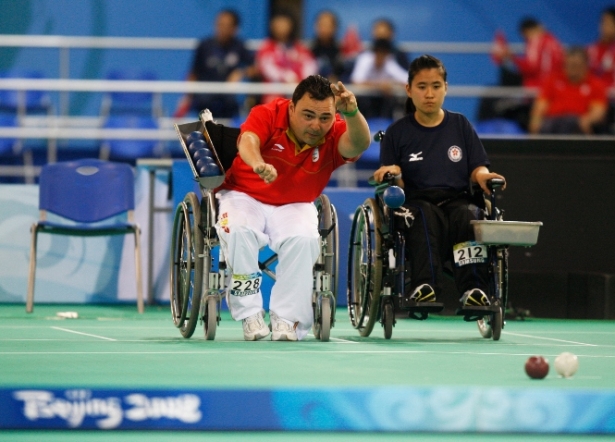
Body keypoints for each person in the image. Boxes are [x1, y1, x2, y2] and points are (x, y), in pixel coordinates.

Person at [215, 75, 371, 341]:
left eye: (324, 118)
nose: (316, 125)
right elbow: (248, 142)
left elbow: (358, 144)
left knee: (305, 240)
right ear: (291, 108)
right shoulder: (267, 113)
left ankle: (286, 319)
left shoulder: (335, 131)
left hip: (295, 203)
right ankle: (250, 315)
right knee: (238, 231)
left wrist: (353, 113)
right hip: (244, 195)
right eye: (308, 115)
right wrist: (257, 164)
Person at [373, 54, 506, 311]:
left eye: (436, 86)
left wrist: (484, 176)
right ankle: (425, 288)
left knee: (471, 215)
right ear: (409, 90)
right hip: (416, 201)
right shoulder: (397, 133)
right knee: (422, 216)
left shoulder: (460, 125)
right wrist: (391, 172)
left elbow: (477, 167)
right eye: (422, 87)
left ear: (446, 88)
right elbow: (391, 180)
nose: (429, 94)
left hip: (457, 199)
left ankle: (474, 289)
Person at [174, 9, 257, 119]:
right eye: (220, 24)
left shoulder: (239, 46)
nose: (222, 29)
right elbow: (193, 73)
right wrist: (187, 97)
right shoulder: (204, 45)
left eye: (227, 25)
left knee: (232, 107)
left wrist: (240, 72)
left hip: (228, 97)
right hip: (205, 95)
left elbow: (255, 69)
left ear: (235, 28)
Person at [529, 46, 609, 134]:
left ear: (585, 65)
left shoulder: (595, 84)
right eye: (569, 64)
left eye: (576, 65)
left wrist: (587, 120)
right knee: (547, 126)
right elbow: (541, 105)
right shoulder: (552, 80)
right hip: (553, 120)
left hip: (577, 121)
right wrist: (535, 120)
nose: (572, 68)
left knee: (569, 123)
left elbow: (598, 110)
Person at [256, 11, 318, 103]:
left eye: (284, 23)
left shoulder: (300, 48)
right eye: (278, 24)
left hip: (300, 90)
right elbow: (267, 68)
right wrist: (287, 77)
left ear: (291, 25)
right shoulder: (266, 47)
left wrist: (302, 81)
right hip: (274, 92)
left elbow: (310, 65)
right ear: (272, 26)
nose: (281, 27)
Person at [492, 17, 564, 88]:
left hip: (538, 83)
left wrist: (513, 58)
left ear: (526, 31)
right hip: (555, 82)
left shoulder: (536, 42)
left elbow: (531, 67)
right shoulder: (554, 41)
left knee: (505, 76)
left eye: (524, 36)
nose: (525, 39)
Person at [350, 38, 408, 119]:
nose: (381, 57)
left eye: (383, 54)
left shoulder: (389, 61)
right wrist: (379, 86)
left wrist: (393, 85)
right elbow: (356, 81)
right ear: (374, 53)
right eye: (378, 53)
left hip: (383, 101)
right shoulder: (365, 59)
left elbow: (406, 79)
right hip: (364, 101)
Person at [310, 10, 346, 82]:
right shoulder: (308, 50)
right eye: (321, 25)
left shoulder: (342, 51)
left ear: (335, 28)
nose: (324, 29)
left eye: (328, 25)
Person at [587, 6, 615, 87]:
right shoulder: (590, 50)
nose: (605, 26)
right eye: (603, 22)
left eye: (609, 23)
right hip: (593, 95)